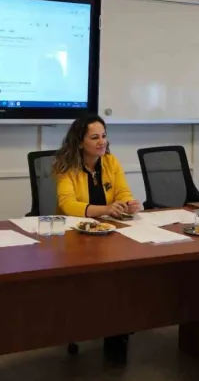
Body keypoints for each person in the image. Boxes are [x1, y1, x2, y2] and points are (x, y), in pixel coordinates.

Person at [52, 114, 141, 364]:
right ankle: (92, 323)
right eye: (94, 137)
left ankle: (117, 332)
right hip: (75, 237)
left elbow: (122, 191)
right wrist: (105, 209)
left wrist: (128, 203)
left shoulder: (110, 161)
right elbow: (67, 204)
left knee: (123, 272)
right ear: (80, 142)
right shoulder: (64, 165)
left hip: (109, 233)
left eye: (104, 136)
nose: (102, 142)